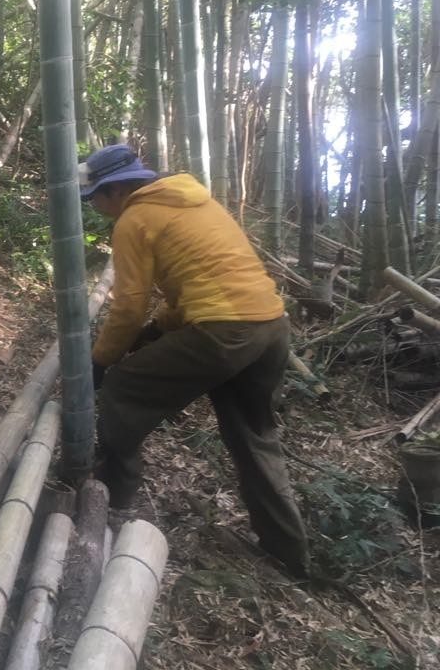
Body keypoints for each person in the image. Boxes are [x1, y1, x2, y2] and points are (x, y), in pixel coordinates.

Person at [81, 144, 310, 577]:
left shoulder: (134, 218)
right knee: (254, 437)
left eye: (95, 198)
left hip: (225, 332)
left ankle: (113, 497)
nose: (95, 207)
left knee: (124, 387)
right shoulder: (197, 202)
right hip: (271, 326)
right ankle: (288, 552)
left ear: (115, 190)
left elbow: (128, 305)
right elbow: (204, 283)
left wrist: (101, 359)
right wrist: (157, 329)